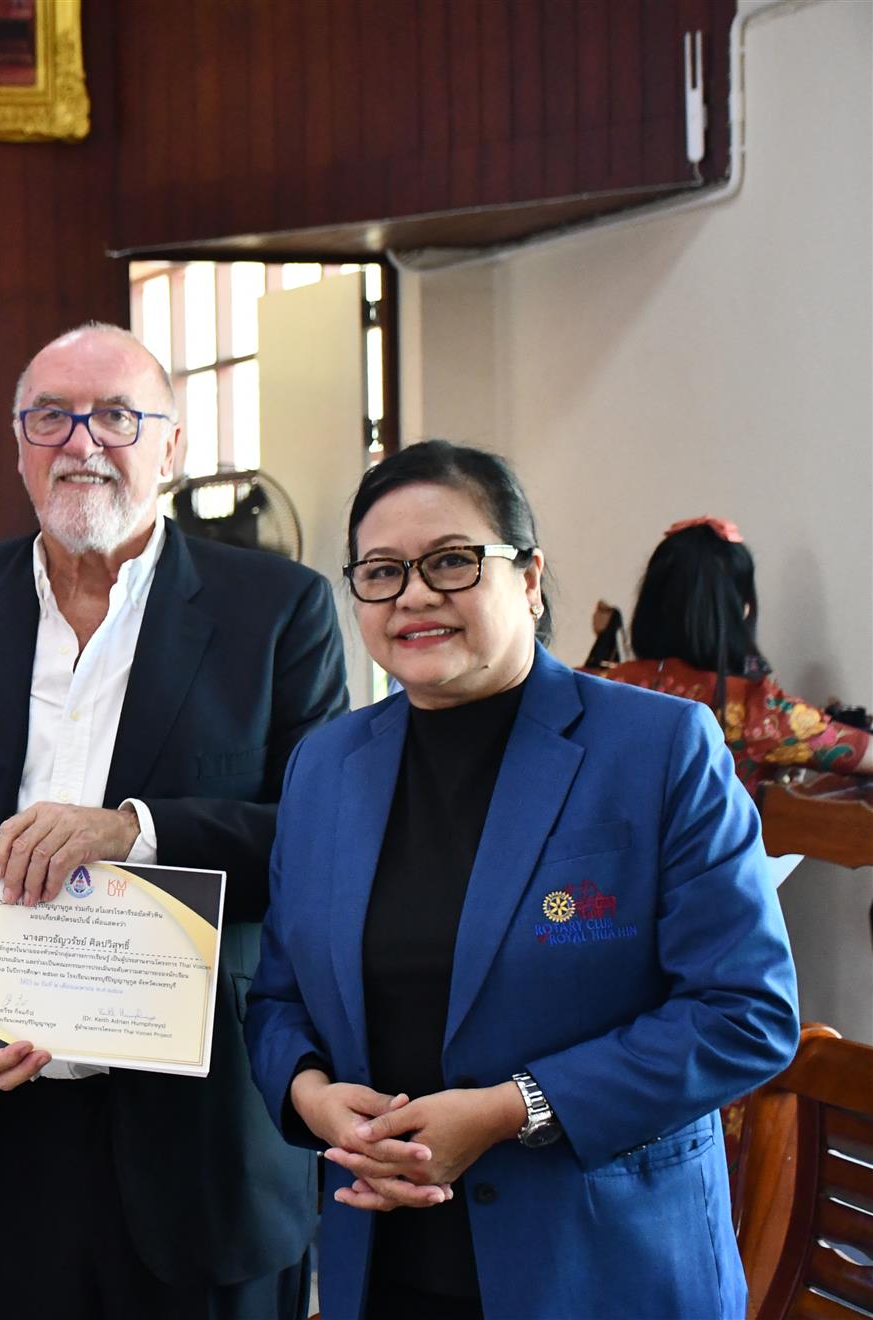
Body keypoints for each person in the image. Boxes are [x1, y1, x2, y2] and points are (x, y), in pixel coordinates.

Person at [246, 441, 801, 1320]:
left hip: (602, 1269)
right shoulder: (326, 767)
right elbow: (278, 998)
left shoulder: (659, 748)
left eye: (452, 561)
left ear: (530, 578)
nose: (414, 595)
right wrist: (311, 1096)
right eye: (382, 572)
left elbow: (746, 1013)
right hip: (383, 1266)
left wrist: (515, 1108)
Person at [0, 323, 348, 1320]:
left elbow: (321, 841)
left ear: (171, 446)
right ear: (18, 445)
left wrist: (137, 830)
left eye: (117, 416)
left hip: (204, 1140)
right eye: (51, 417)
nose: (81, 442)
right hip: (11, 1125)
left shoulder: (277, 611)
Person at [589, 516, 873, 796]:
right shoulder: (757, 709)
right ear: (743, 609)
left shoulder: (602, 686)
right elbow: (861, 752)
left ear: (649, 603)